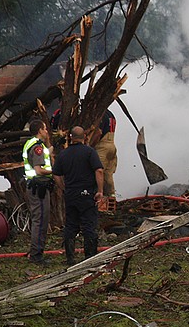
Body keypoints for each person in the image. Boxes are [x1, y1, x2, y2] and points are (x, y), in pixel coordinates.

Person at [52, 126, 104, 265]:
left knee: (70, 226)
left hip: (71, 195)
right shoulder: (89, 152)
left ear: (70, 138)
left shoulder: (63, 154)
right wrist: (100, 190)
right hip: (87, 195)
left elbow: (56, 174)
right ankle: (90, 258)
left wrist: (63, 187)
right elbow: (99, 170)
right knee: (89, 226)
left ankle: (70, 257)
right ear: (84, 138)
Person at [22, 119, 54, 264]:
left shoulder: (33, 144)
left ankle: (37, 252)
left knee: (39, 219)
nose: (47, 131)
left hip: (35, 186)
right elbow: (38, 170)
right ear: (40, 130)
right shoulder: (37, 147)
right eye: (45, 129)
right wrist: (54, 172)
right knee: (40, 220)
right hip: (38, 187)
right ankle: (36, 255)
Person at [91, 108, 118, 198]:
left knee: (97, 172)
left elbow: (98, 133)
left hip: (102, 147)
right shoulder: (110, 114)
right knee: (108, 175)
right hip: (112, 146)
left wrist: (90, 146)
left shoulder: (100, 113)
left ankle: (99, 199)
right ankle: (112, 197)